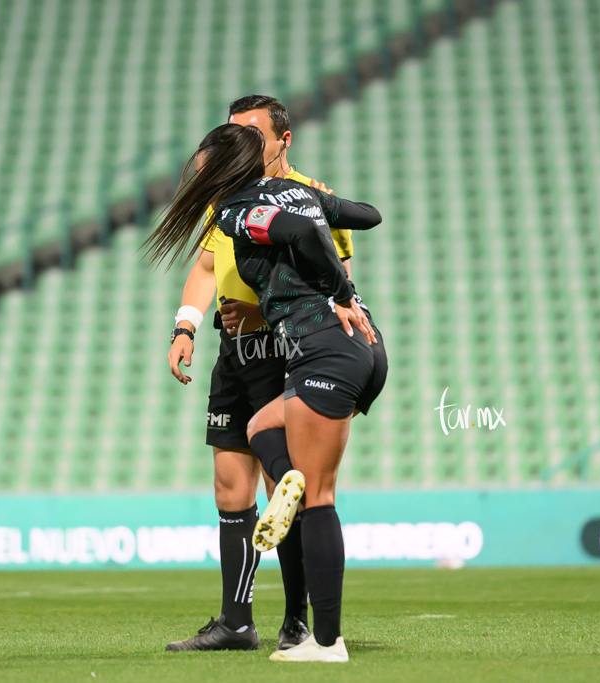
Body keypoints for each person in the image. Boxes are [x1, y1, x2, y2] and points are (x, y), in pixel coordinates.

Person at [146, 122, 387, 663]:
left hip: (312, 346)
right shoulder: (300, 193)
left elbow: (306, 244)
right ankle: (243, 614)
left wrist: (340, 291)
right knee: (259, 441)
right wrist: (316, 203)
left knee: (316, 498)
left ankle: (318, 637)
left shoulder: (239, 209)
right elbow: (366, 215)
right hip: (336, 347)